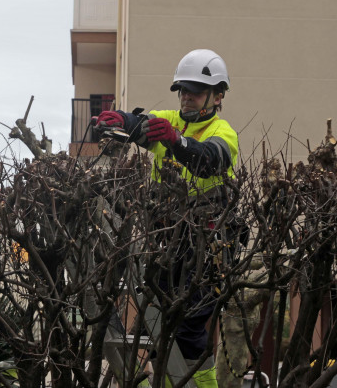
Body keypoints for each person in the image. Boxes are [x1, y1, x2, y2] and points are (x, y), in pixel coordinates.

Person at [95, 49, 239, 388]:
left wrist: (177, 141)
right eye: (183, 90)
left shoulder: (224, 131)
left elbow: (209, 159)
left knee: (187, 332)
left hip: (209, 251)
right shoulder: (168, 121)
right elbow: (140, 125)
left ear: (218, 96)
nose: (186, 97)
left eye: (196, 91)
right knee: (151, 329)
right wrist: (120, 120)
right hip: (167, 246)